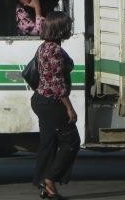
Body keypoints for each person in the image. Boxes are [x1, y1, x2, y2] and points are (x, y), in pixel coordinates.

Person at [31, 11, 80, 200]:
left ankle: (45, 187)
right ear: (60, 28)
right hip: (51, 102)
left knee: (48, 144)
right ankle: (50, 179)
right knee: (71, 142)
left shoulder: (44, 47)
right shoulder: (55, 50)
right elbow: (57, 84)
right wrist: (69, 108)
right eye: (67, 26)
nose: (69, 29)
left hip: (40, 100)